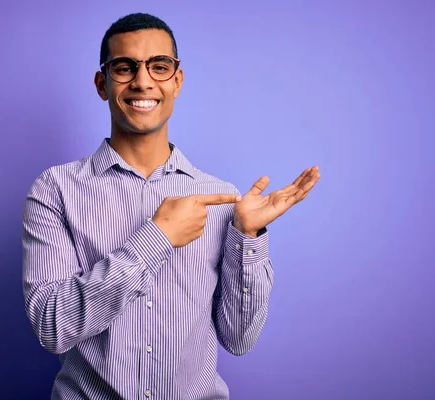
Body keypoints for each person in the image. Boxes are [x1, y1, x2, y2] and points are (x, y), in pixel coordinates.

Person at [22, 12, 320, 399]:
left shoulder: (219, 197)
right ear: (103, 83)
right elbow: (52, 326)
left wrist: (248, 236)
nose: (143, 81)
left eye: (159, 67)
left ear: (177, 81)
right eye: (125, 67)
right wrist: (157, 238)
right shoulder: (54, 190)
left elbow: (239, 339)